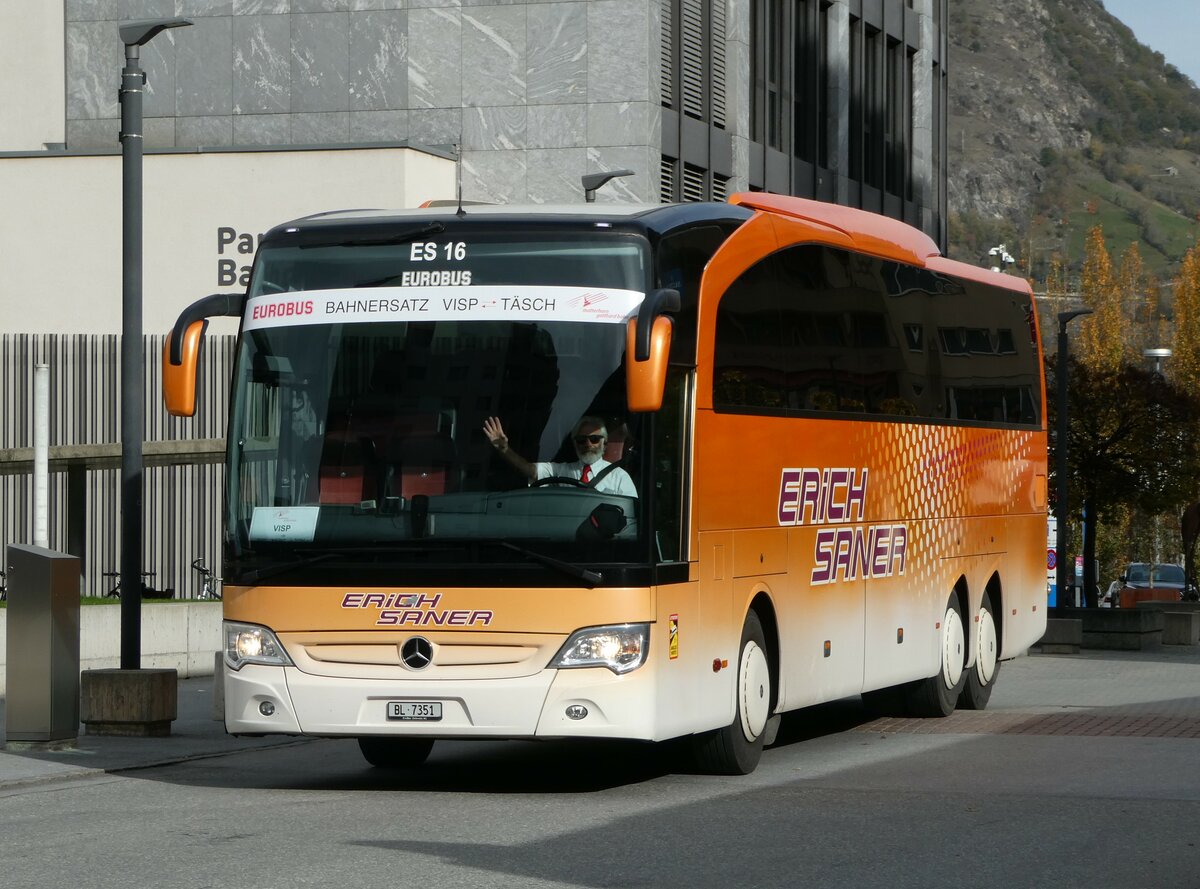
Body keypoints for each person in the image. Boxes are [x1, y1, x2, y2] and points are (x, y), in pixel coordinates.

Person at [483, 415, 637, 497]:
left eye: (594, 439)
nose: (588, 444)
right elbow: (530, 470)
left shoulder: (619, 478)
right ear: (575, 443)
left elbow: (630, 520)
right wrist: (504, 450)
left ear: (605, 443)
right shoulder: (561, 471)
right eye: (581, 440)